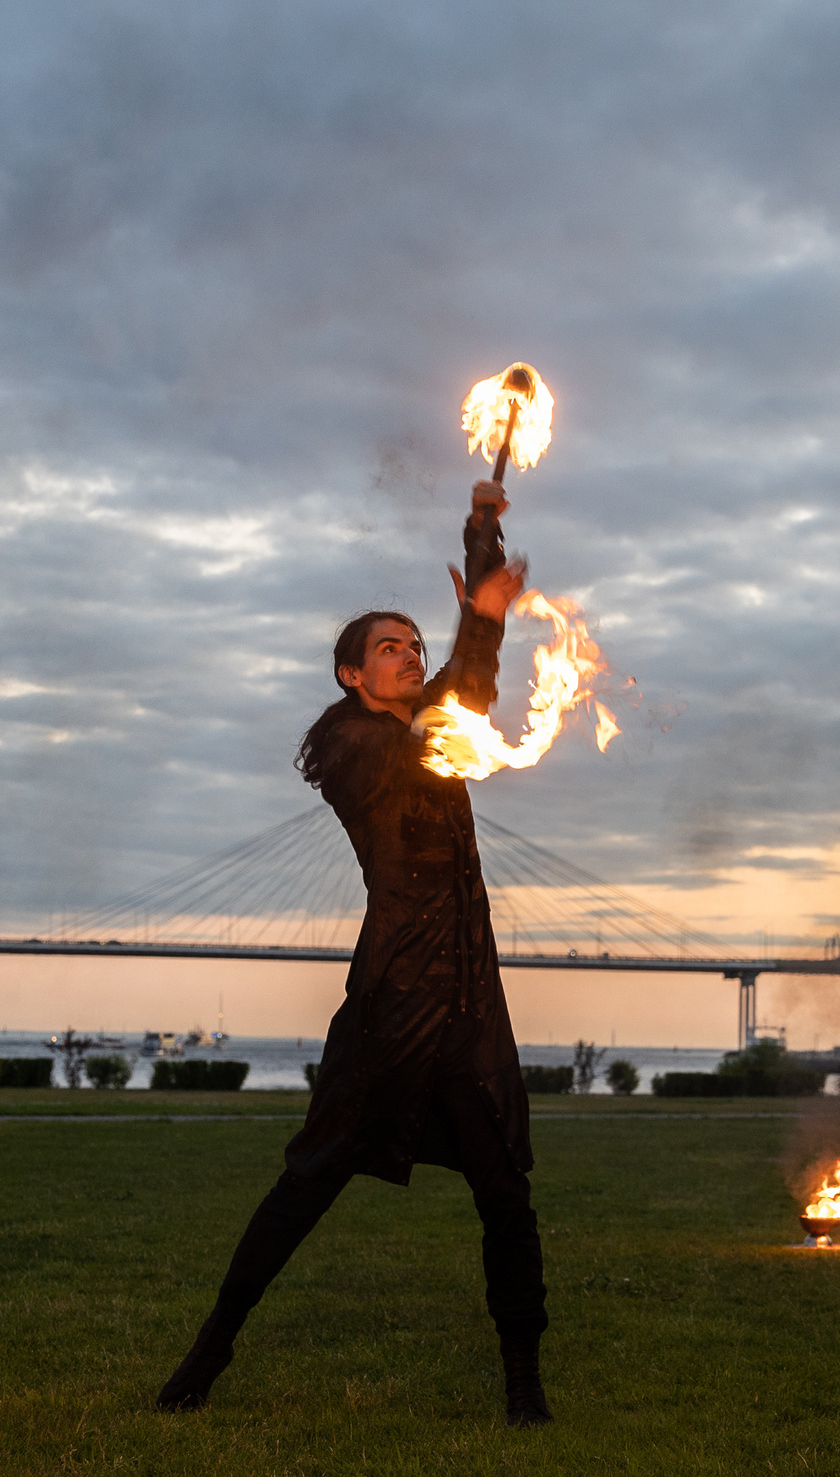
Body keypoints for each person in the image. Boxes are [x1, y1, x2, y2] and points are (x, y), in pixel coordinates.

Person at [155, 480, 552, 1425]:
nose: (410, 658)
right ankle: (204, 1359)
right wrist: (475, 623)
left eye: (417, 647)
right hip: (391, 1015)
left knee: (506, 1192)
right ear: (349, 676)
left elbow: (468, 693)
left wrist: (483, 536)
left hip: (464, 1009)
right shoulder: (351, 748)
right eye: (390, 648)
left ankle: (525, 1386)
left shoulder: (431, 730)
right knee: (308, 1184)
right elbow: (444, 711)